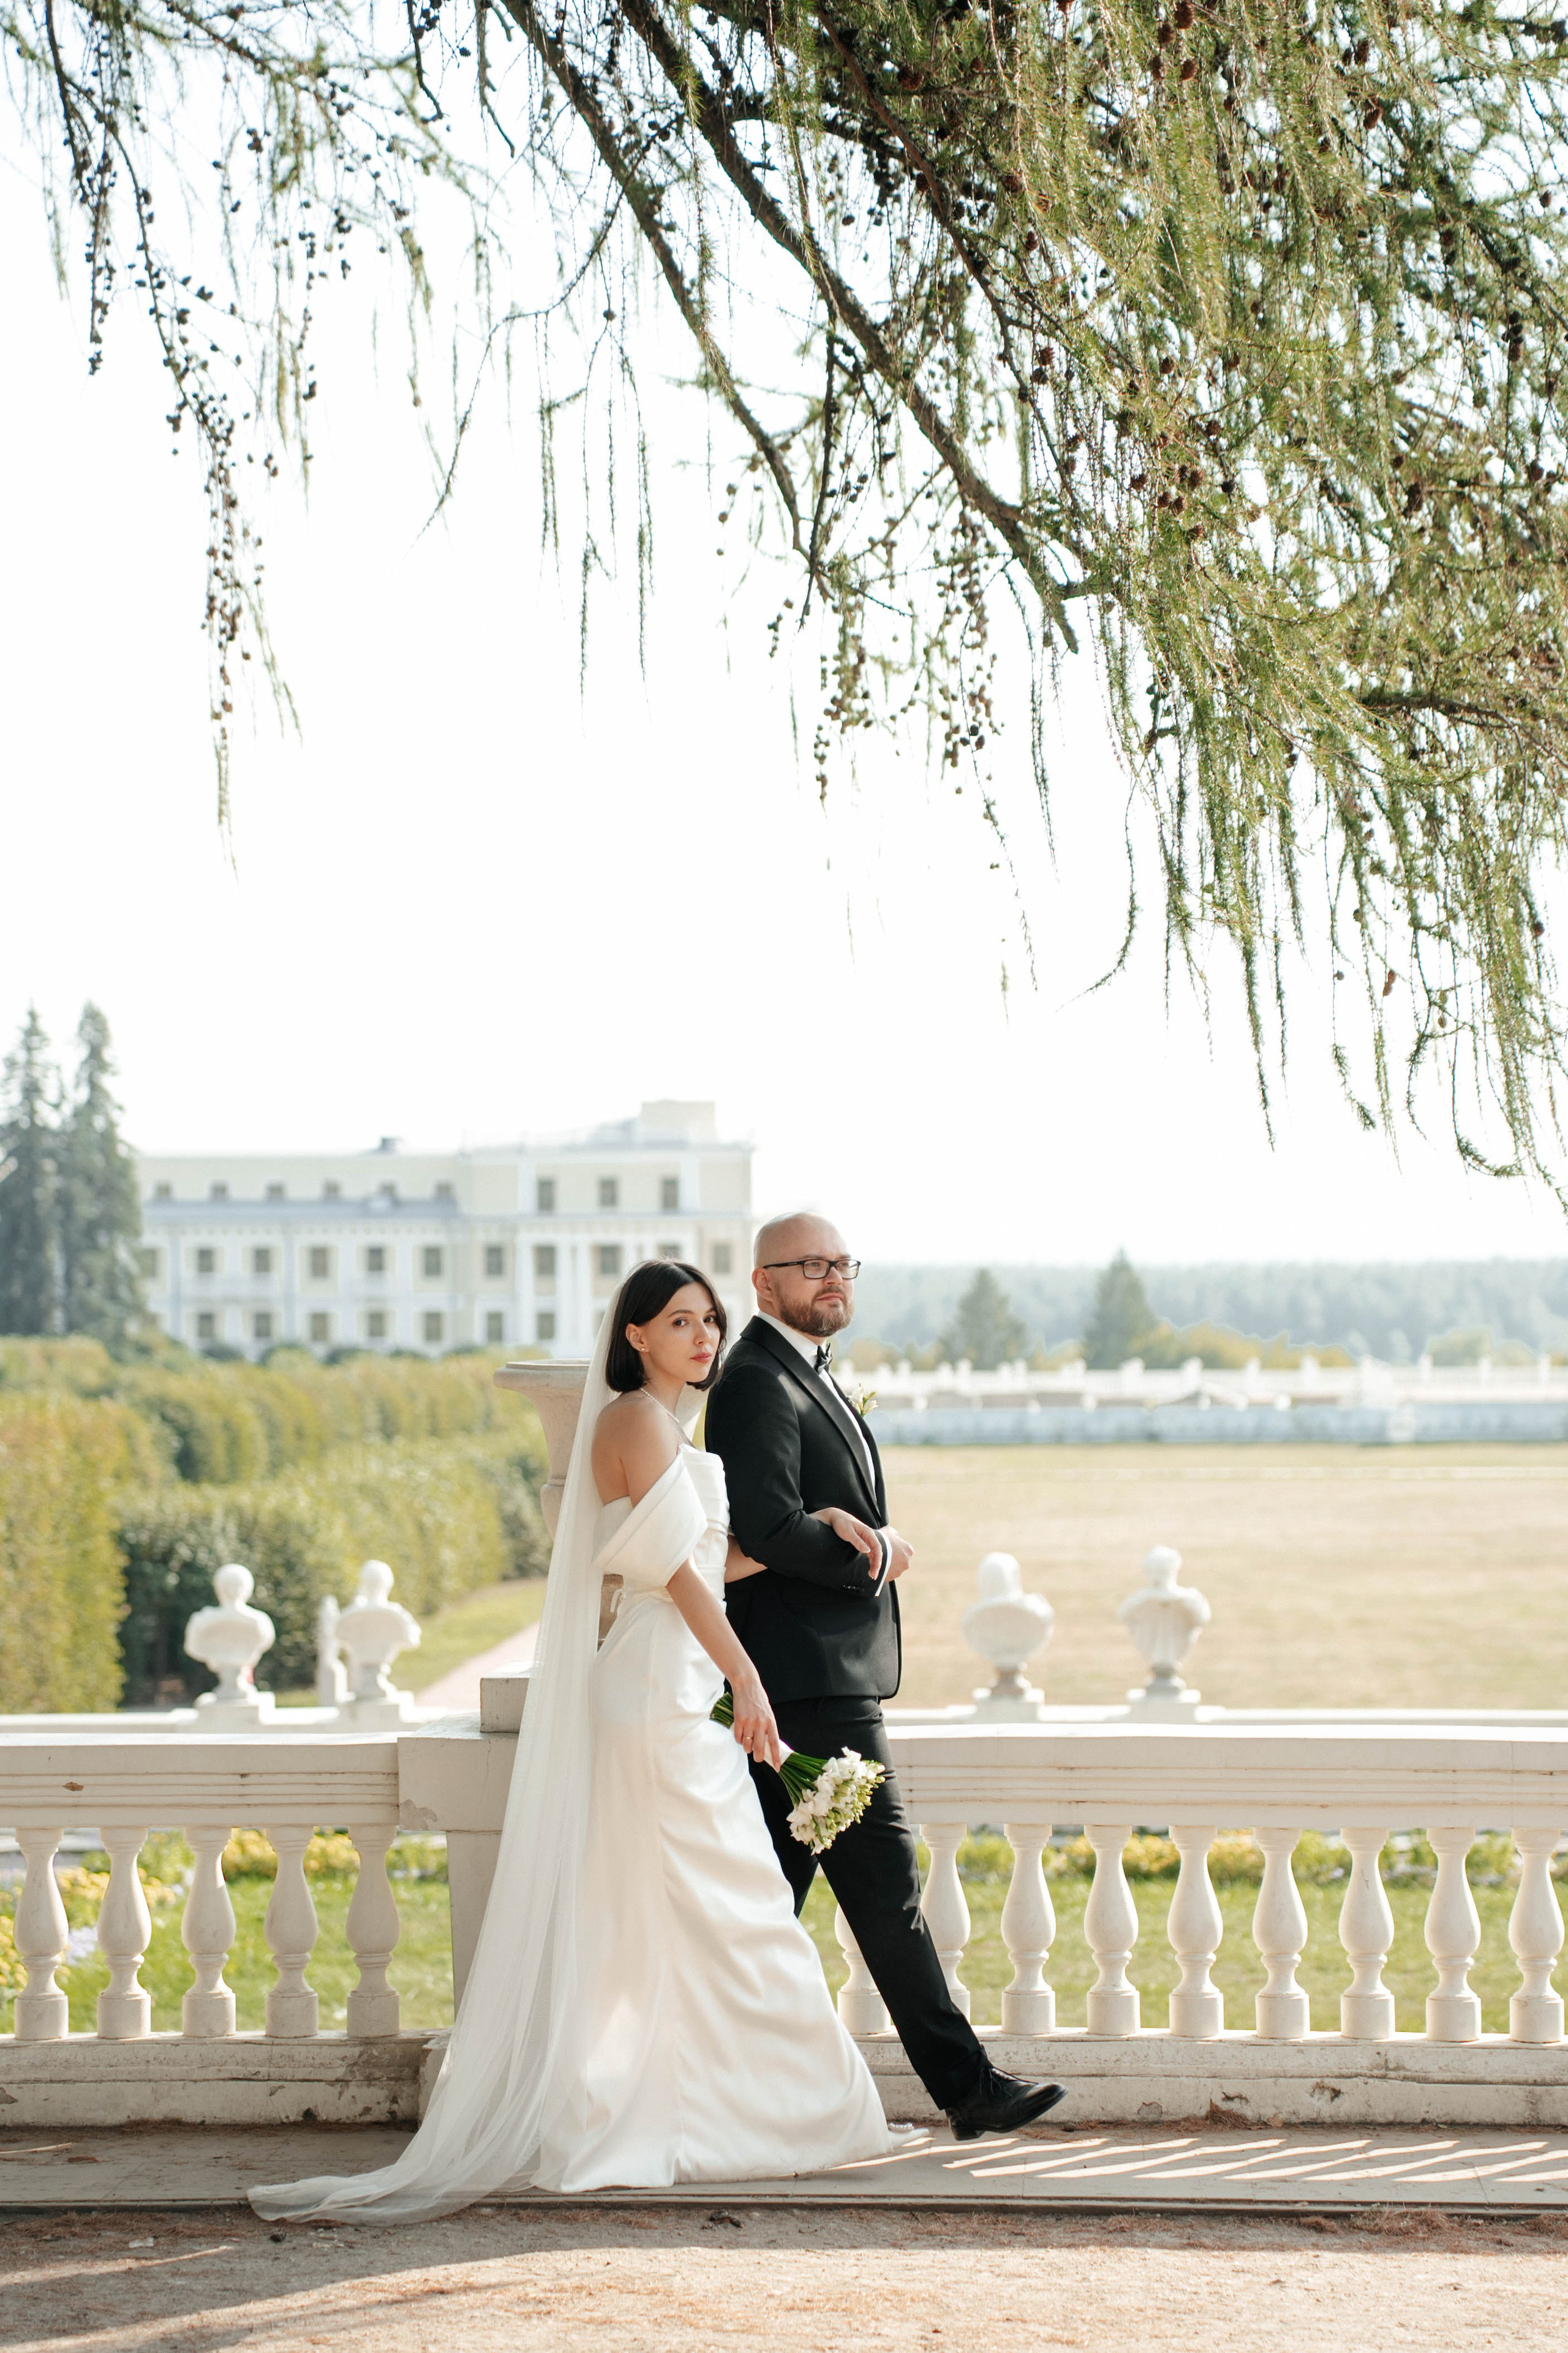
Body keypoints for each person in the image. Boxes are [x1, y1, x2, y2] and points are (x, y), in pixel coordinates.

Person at [251, 1260, 890, 2223]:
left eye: (711, 1320)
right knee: (715, 1895)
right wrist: (747, 1678)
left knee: (708, 1901)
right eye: (682, 1322)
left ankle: (727, 2114)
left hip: (680, 1675)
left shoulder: (669, 1428)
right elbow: (674, 1574)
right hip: (659, 1679)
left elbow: (712, 1554)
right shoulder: (633, 1419)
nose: (705, 1336)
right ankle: (678, 2117)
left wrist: (824, 1523)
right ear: (634, 1336)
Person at [704, 1210, 1066, 2142]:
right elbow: (771, 1533)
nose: (832, 1278)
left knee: (764, 1898)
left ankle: (699, 2081)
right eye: (810, 1265)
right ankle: (968, 2087)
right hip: (806, 1684)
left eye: (841, 1263)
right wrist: (877, 1552)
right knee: (883, 1887)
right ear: (762, 1281)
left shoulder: (802, 1375)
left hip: (815, 1680)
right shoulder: (753, 1381)